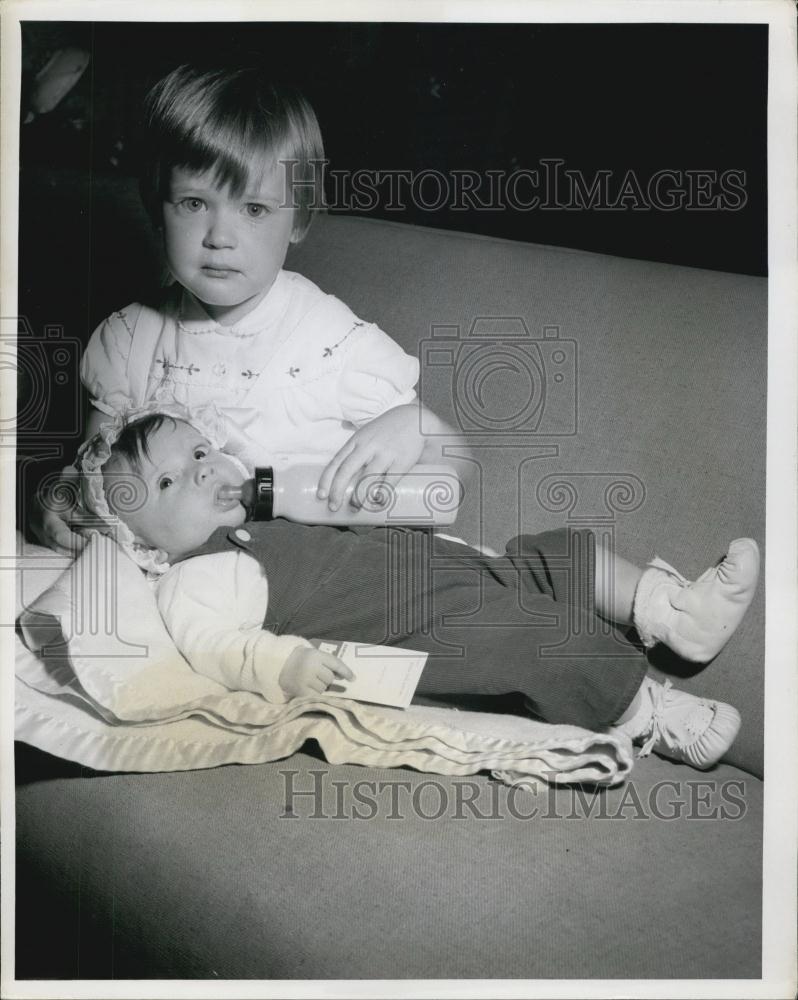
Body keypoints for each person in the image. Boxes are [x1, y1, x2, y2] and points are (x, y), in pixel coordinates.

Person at [77, 410, 761, 771]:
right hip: (418, 632)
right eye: (166, 484)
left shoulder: (272, 502)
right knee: (529, 636)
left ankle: (675, 613)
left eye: (199, 452)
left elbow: (388, 503)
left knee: (559, 553)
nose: (199, 473)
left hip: (447, 568)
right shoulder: (196, 576)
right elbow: (220, 647)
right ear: (140, 541)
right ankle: (652, 716)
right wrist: (284, 665)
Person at [34, 63, 467, 552]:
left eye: (255, 209)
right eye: (194, 203)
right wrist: (57, 498)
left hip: (313, 571)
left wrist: (413, 428)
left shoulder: (326, 341)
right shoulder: (130, 340)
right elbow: (96, 479)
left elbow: (453, 474)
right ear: (157, 206)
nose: (220, 237)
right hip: (183, 591)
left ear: (299, 219)